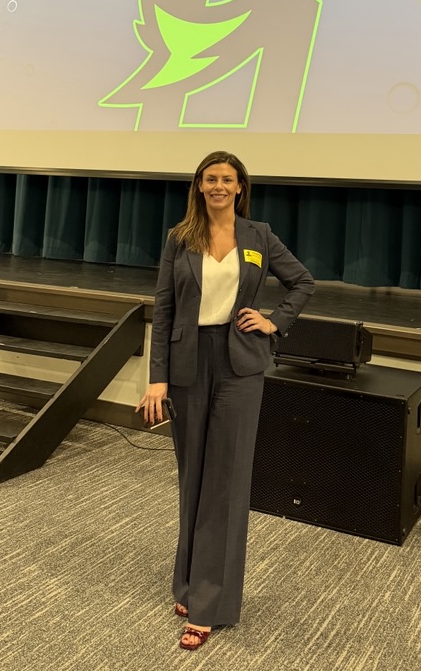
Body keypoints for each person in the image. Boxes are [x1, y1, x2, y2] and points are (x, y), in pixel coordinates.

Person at [136, 150, 314, 651]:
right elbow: (165, 310)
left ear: (240, 187)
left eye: (227, 179)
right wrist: (158, 379)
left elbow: (303, 281)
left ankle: (209, 605)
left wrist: (275, 320)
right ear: (199, 186)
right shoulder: (179, 239)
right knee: (192, 477)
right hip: (189, 366)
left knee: (226, 482)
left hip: (241, 366)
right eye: (210, 178)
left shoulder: (258, 236)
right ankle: (189, 584)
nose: (218, 186)